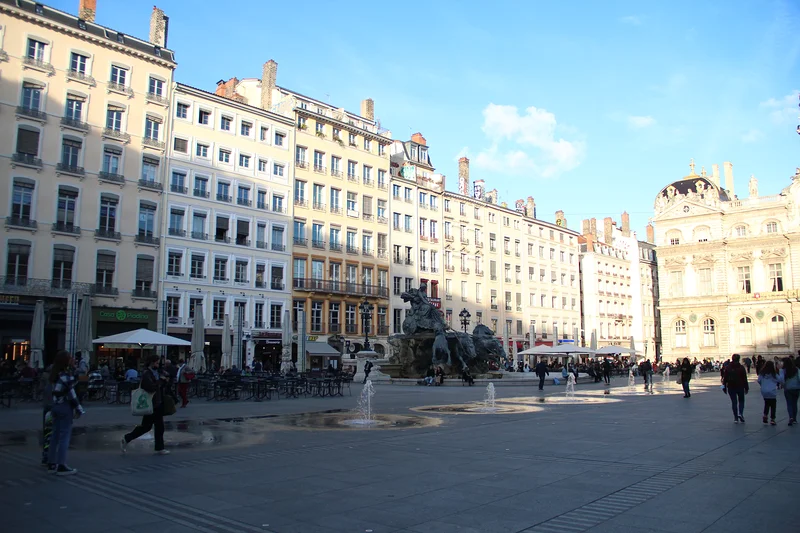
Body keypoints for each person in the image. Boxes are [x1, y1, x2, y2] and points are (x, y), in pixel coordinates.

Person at [120, 355, 171, 455]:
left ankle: (127, 438)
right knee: (153, 426)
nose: (158, 364)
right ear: (151, 362)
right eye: (156, 362)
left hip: (157, 402)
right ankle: (159, 447)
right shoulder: (147, 373)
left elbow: (160, 386)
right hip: (151, 403)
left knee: (150, 426)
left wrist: (165, 381)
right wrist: (161, 381)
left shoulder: (156, 372)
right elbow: (150, 387)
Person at [48, 351, 85, 475]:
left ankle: (51, 463)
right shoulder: (65, 376)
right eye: (70, 358)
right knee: (64, 436)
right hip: (64, 407)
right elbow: (71, 394)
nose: (73, 359)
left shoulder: (55, 374)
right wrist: (79, 409)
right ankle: (62, 465)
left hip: (55, 406)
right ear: (66, 361)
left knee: (55, 435)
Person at [723, 353, 749, 423]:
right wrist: (746, 388)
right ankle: (740, 413)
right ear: (739, 359)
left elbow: (724, 379)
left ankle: (735, 418)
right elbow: (744, 379)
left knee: (734, 402)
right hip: (740, 386)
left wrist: (723, 387)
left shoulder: (728, 367)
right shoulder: (741, 367)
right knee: (741, 401)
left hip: (731, 387)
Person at [757, 361, 783, 425]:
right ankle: (772, 419)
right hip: (772, 391)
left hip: (764, 391)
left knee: (767, 403)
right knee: (773, 405)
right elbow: (780, 380)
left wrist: (762, 385)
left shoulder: (762, 374)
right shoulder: (774, 374)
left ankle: (765, 415)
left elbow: (759, 380)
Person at [780, 357, 800, 426]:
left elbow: (781, 380)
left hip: (788, 389)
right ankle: (794, 419)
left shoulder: (783, 371)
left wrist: (783, 385)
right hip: (796, 388)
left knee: (789, 403)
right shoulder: (797, 369)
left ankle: (791, 417)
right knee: (795, 403)